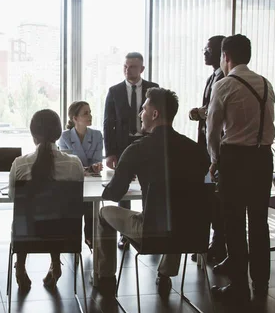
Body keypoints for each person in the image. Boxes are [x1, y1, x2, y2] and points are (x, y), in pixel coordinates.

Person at [96, 88, 210, 295]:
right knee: (177, 214)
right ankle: (166, 274)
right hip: (192, 233)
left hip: (151, 233)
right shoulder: (195, 150)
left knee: (103, 213)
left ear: (155, 114)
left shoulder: (137, 149)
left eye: (143, 109)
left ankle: (105, 278)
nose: (140, 114)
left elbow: (113, 194)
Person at [207, 34, 275, 303]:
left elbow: (213, 131)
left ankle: (238, 284)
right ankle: (261, 282)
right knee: (259, 221)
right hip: (263, 159)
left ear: (226, 57)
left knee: (234, 222)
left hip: (235, 159)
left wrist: (214, 159)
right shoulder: (266, 84)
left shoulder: (224, 85)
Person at [8, 109, 84, 290]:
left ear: (34, 136)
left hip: (27, 235)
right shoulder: (75, 164)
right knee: (57, 216)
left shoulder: (20, 164)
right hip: (65, 235)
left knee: (27, 217)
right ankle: (56, 263)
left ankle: (20, 266)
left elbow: (13, 198)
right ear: (58, 134)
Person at [104, 52, 159, 249]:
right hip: (122, 145)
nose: (128, 70)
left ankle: (149, 227)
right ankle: (125, 234)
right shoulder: (114, 91)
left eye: (133, 67)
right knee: (122, 185)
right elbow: (108, 123)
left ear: (142, 69)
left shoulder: (154, 89)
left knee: (149, 185)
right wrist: (110, 152)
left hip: (148, 143)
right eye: (126, 66)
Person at [189, 35, 227, 263]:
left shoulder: (226, 79)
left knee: (217, 197)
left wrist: (202, 112)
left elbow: (214, 112)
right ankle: (210, 242)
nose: (204, 52)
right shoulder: (212, 76)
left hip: (219, 152)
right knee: (208, 195)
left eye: (208, 49)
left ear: (223, 53)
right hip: (206, 150)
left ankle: (219, 244)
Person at [58, 101, 103, 249]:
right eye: (86, 113)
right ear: (74, 118)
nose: (90, 115)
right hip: (72, 180)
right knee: (80, 199)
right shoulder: (64, 137)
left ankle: (89, 236)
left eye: (90, 112)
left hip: (90, 181)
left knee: (90, 199)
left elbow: (96, 161)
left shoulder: (97, 135)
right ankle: (82, 236)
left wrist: (93, 167)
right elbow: (67, 164)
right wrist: (89, 168)